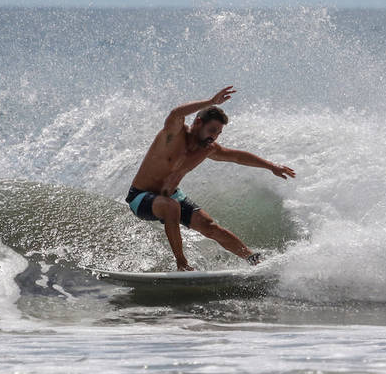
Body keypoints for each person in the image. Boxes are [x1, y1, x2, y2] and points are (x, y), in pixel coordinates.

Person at [126, 86, 295, 271]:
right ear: (198, 122)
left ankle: (254, 260)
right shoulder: (174, 134)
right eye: (212, 130)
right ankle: (182, 264)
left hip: (171, 196)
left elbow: (238, 157)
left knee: (209, 226)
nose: (214, 136)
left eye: (218, 133)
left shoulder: (208, 148)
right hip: (141, 197)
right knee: (170, 206)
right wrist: (211, 102)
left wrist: (271, 166)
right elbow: (176, 113)